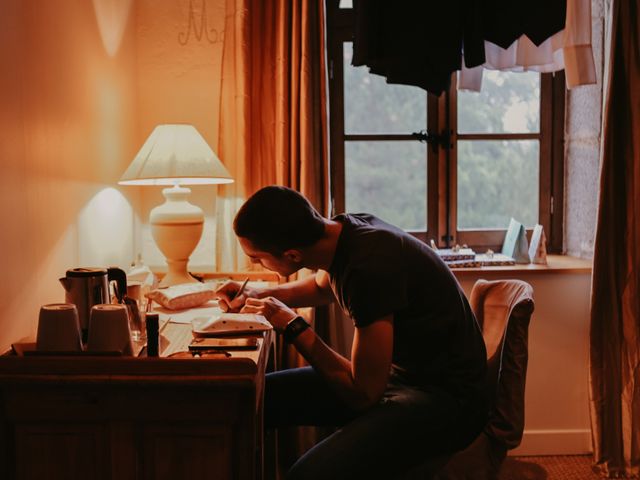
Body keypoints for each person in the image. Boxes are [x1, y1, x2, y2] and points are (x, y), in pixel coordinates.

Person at [216, 185, 488, 479]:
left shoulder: (368, 268)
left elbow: (363, 393)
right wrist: (260, 292)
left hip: (446, 400)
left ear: (292, 255)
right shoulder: (344, 230)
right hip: (404, 378)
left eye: (256, 258)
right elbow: (321, 287)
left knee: (305, 475)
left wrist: (293, 326)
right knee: (252, 399)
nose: (254, 264)